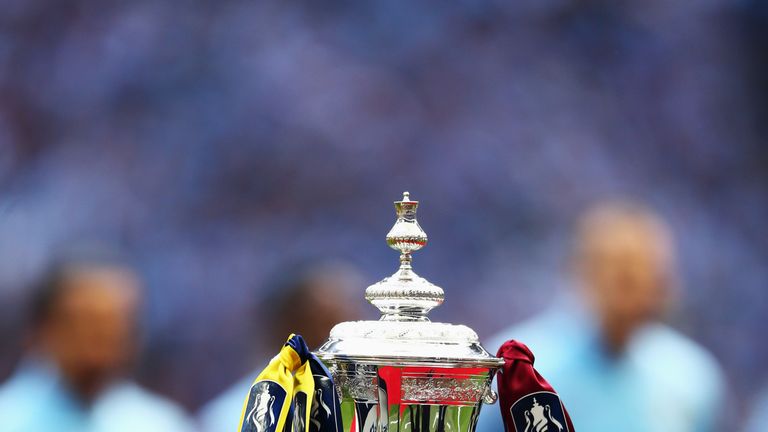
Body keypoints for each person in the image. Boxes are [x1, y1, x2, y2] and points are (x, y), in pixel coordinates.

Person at [476, 201, 725, 432]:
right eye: (622, 274)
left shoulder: (690, 378)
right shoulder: (517, 367)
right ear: (582, 270)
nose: (634, 289)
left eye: (645, 273)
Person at [0, 252, 195, 432]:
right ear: (46, 327)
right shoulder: (9, 419)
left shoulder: (160, 424)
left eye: (110, 323)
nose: (95, 339)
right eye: (83, 323)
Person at [196, 260, 363, 432]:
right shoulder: (232, 415)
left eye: (352, 319)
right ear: (284, 325)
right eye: (327, 323)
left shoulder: (366, 405)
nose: (339, 338)